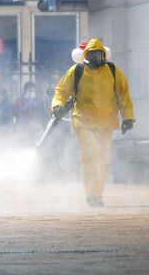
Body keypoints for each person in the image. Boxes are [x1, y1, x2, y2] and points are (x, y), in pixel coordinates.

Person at [52, 38, 135, 207]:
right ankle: (90, 192)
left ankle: (96, 195)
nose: (96, 57)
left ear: (104, 54)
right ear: (85, 54)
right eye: (92, 54)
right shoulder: (77, 70)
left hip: (106, 122)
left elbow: (123, 94)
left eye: (99, 53)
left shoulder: (112, 70)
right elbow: (61, 91)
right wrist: (57, 106)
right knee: (91, 154)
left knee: (103, 159)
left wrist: (128, 117)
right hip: (83, 121)